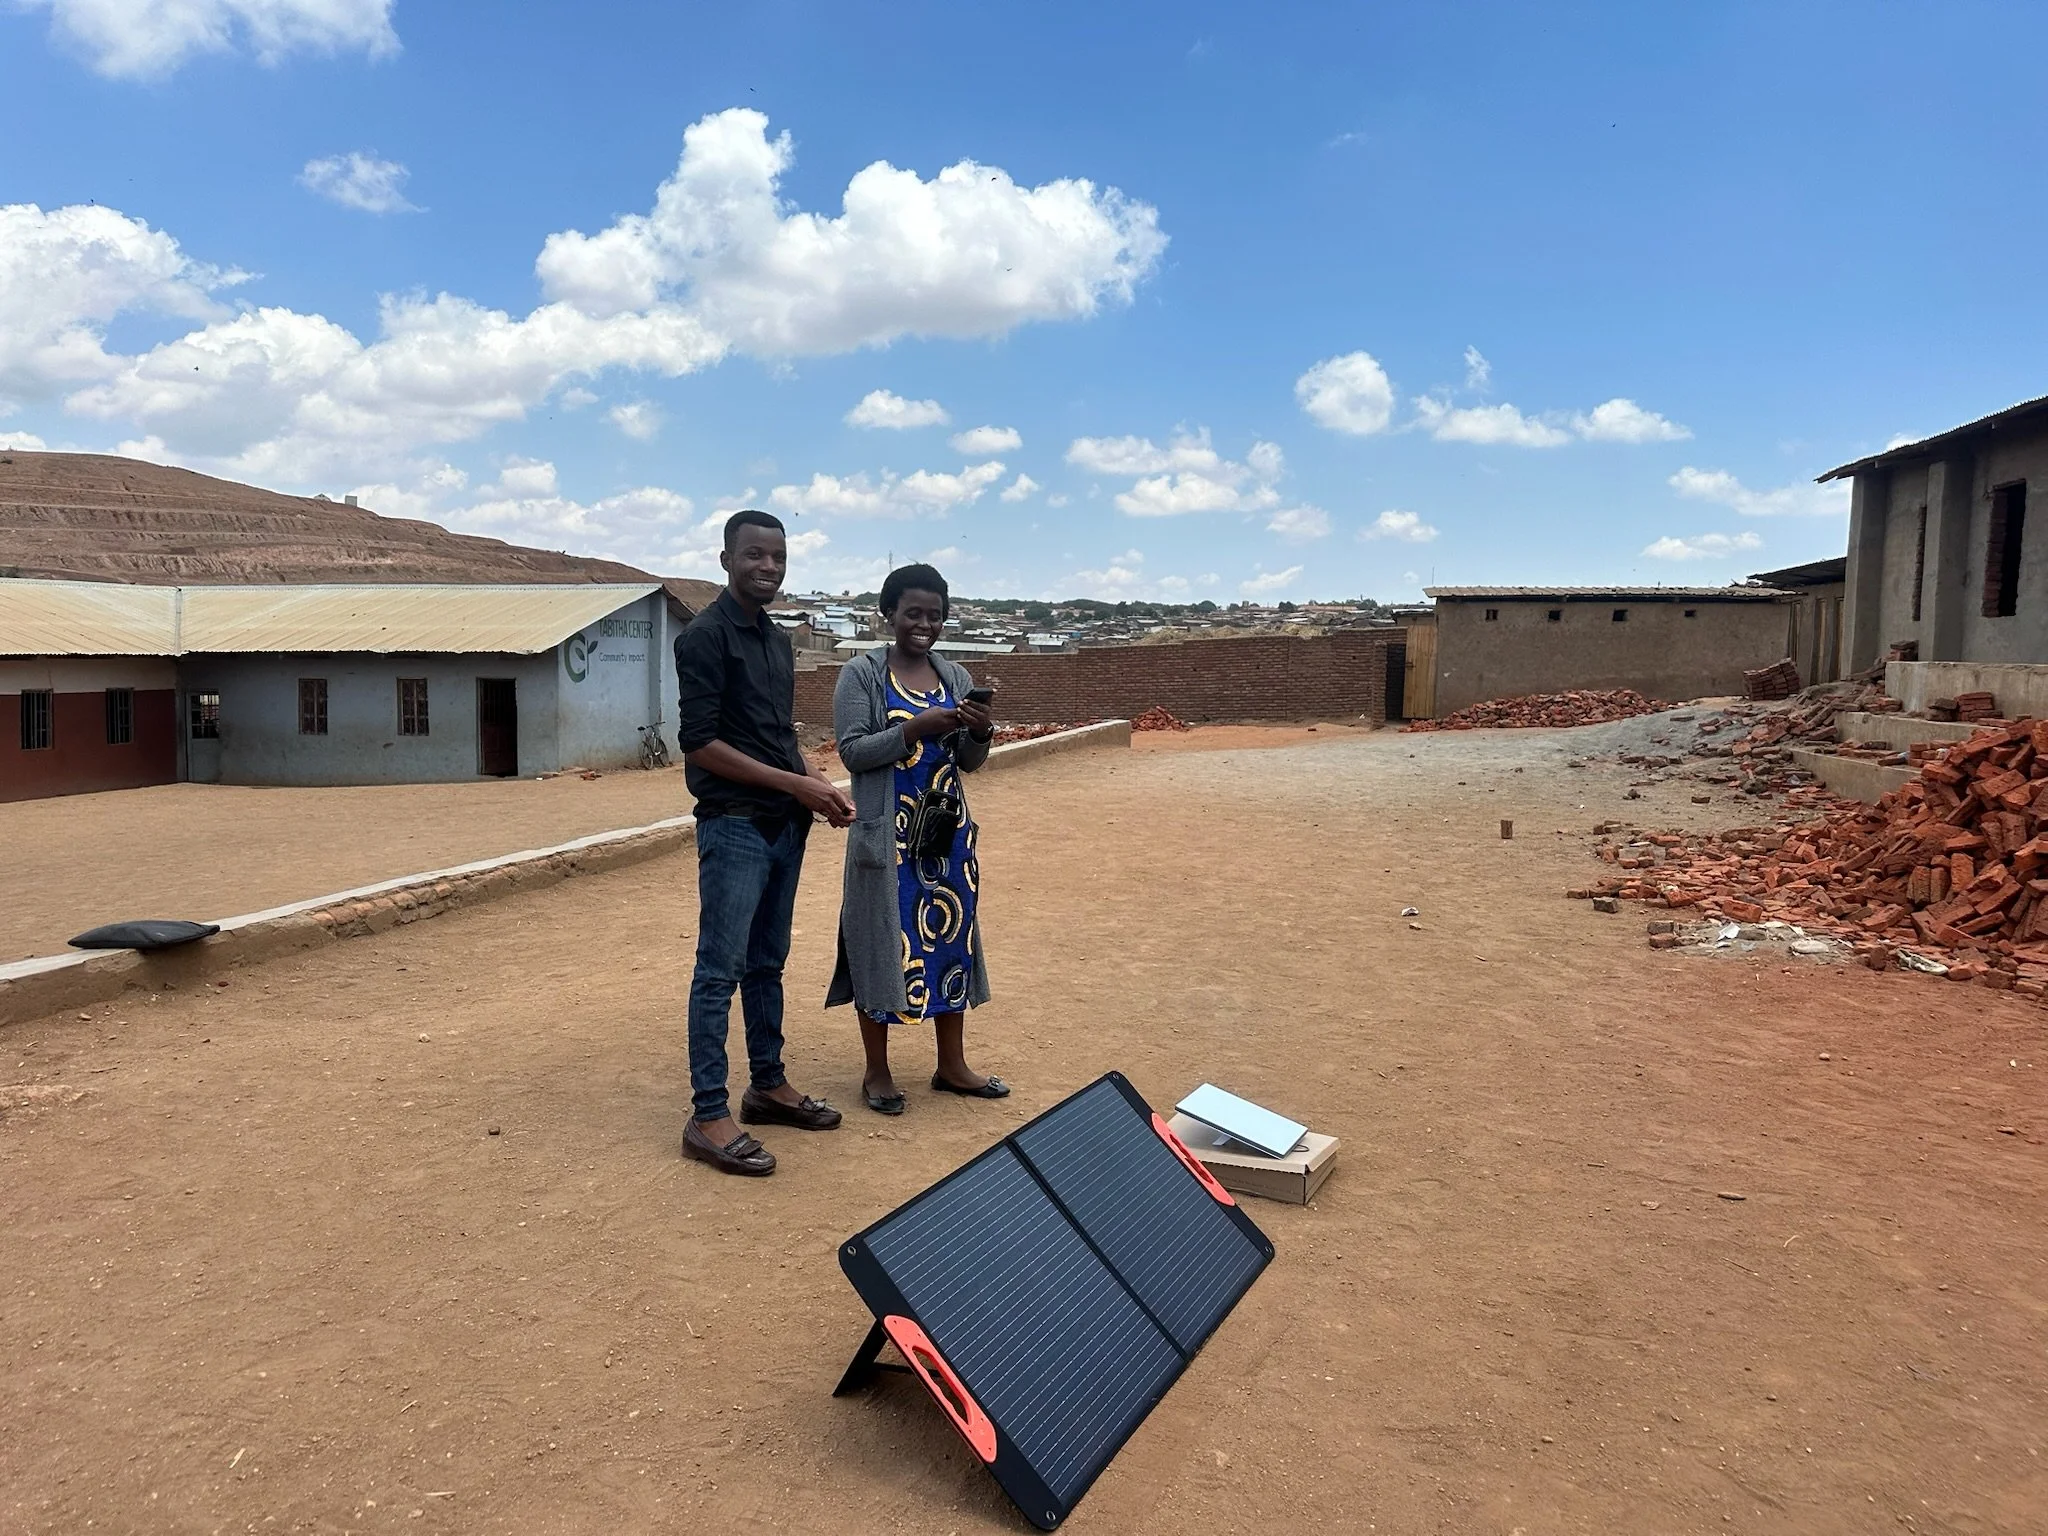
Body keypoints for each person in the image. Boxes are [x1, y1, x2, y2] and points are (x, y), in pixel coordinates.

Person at [673, 509, 856, 1177]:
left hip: (785, 824)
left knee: (766, 963)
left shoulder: (777, 644)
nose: (768, 567)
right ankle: (707, 1114)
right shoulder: (704, 638)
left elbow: (777, 736)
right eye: (754, 555)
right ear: (726, 560)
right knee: (719, 971)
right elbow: (700, 745)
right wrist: (795, 785)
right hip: (735, 825)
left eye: (777, 557)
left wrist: (818, 784)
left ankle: (768, 1086)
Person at [827, 563, 1008, 1113]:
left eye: (934, 614)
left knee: (951, 939)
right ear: (889, 614)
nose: (923, 623)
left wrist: (978, 731)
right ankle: (876, 1072)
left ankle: (951, 1065)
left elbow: (970, 763)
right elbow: (853, 752)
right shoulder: (861, 675)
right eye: (912, 613)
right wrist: (915, 728)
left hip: (946, 837)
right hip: (889, 838)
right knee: (879, 940)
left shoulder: (952, 676)